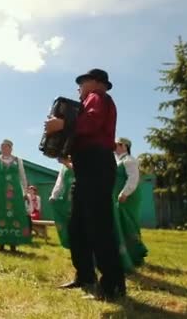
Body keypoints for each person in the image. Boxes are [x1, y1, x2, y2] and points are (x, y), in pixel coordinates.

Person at [45, 68, 125, 300]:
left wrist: (60, 125)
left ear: (96, 83)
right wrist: (66, 151)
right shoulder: (91, 99)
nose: (79, 89)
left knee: (99, 226)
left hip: (97, 165)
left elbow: (90, 123)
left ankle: (113, 286)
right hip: (87, 167)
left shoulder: (98, 97)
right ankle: (85, 276)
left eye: (82, 83)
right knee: (77, 226)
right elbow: (85, 132)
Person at [0, 139, 31, 252]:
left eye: (7, 147)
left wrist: (25, 192)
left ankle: (13, 243)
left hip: (15, 193)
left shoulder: (18, 160)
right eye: (3, 146)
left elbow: (23, 177)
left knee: (15, 215)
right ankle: (0, 242)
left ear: (11, 148)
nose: (5, 148)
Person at [113, 137, 148, 273]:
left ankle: (137, 257)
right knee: (122, 225)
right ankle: (125, 256)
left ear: (124, 146)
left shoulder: (129, 160)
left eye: (117, 145)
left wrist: (124, 193)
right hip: (120, 198)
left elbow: (133, 178)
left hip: (128, 198)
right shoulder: (119, 162)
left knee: (130, 225)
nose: (114, 147)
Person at [49, 157, 75, 249]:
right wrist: (54, 195)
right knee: (68, 221)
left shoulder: (80, 160)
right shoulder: (63, 168)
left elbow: (80, 172)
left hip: (80, 196)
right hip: (67, 198)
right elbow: (59, 182)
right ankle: (71, 243)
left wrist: (66, 163)